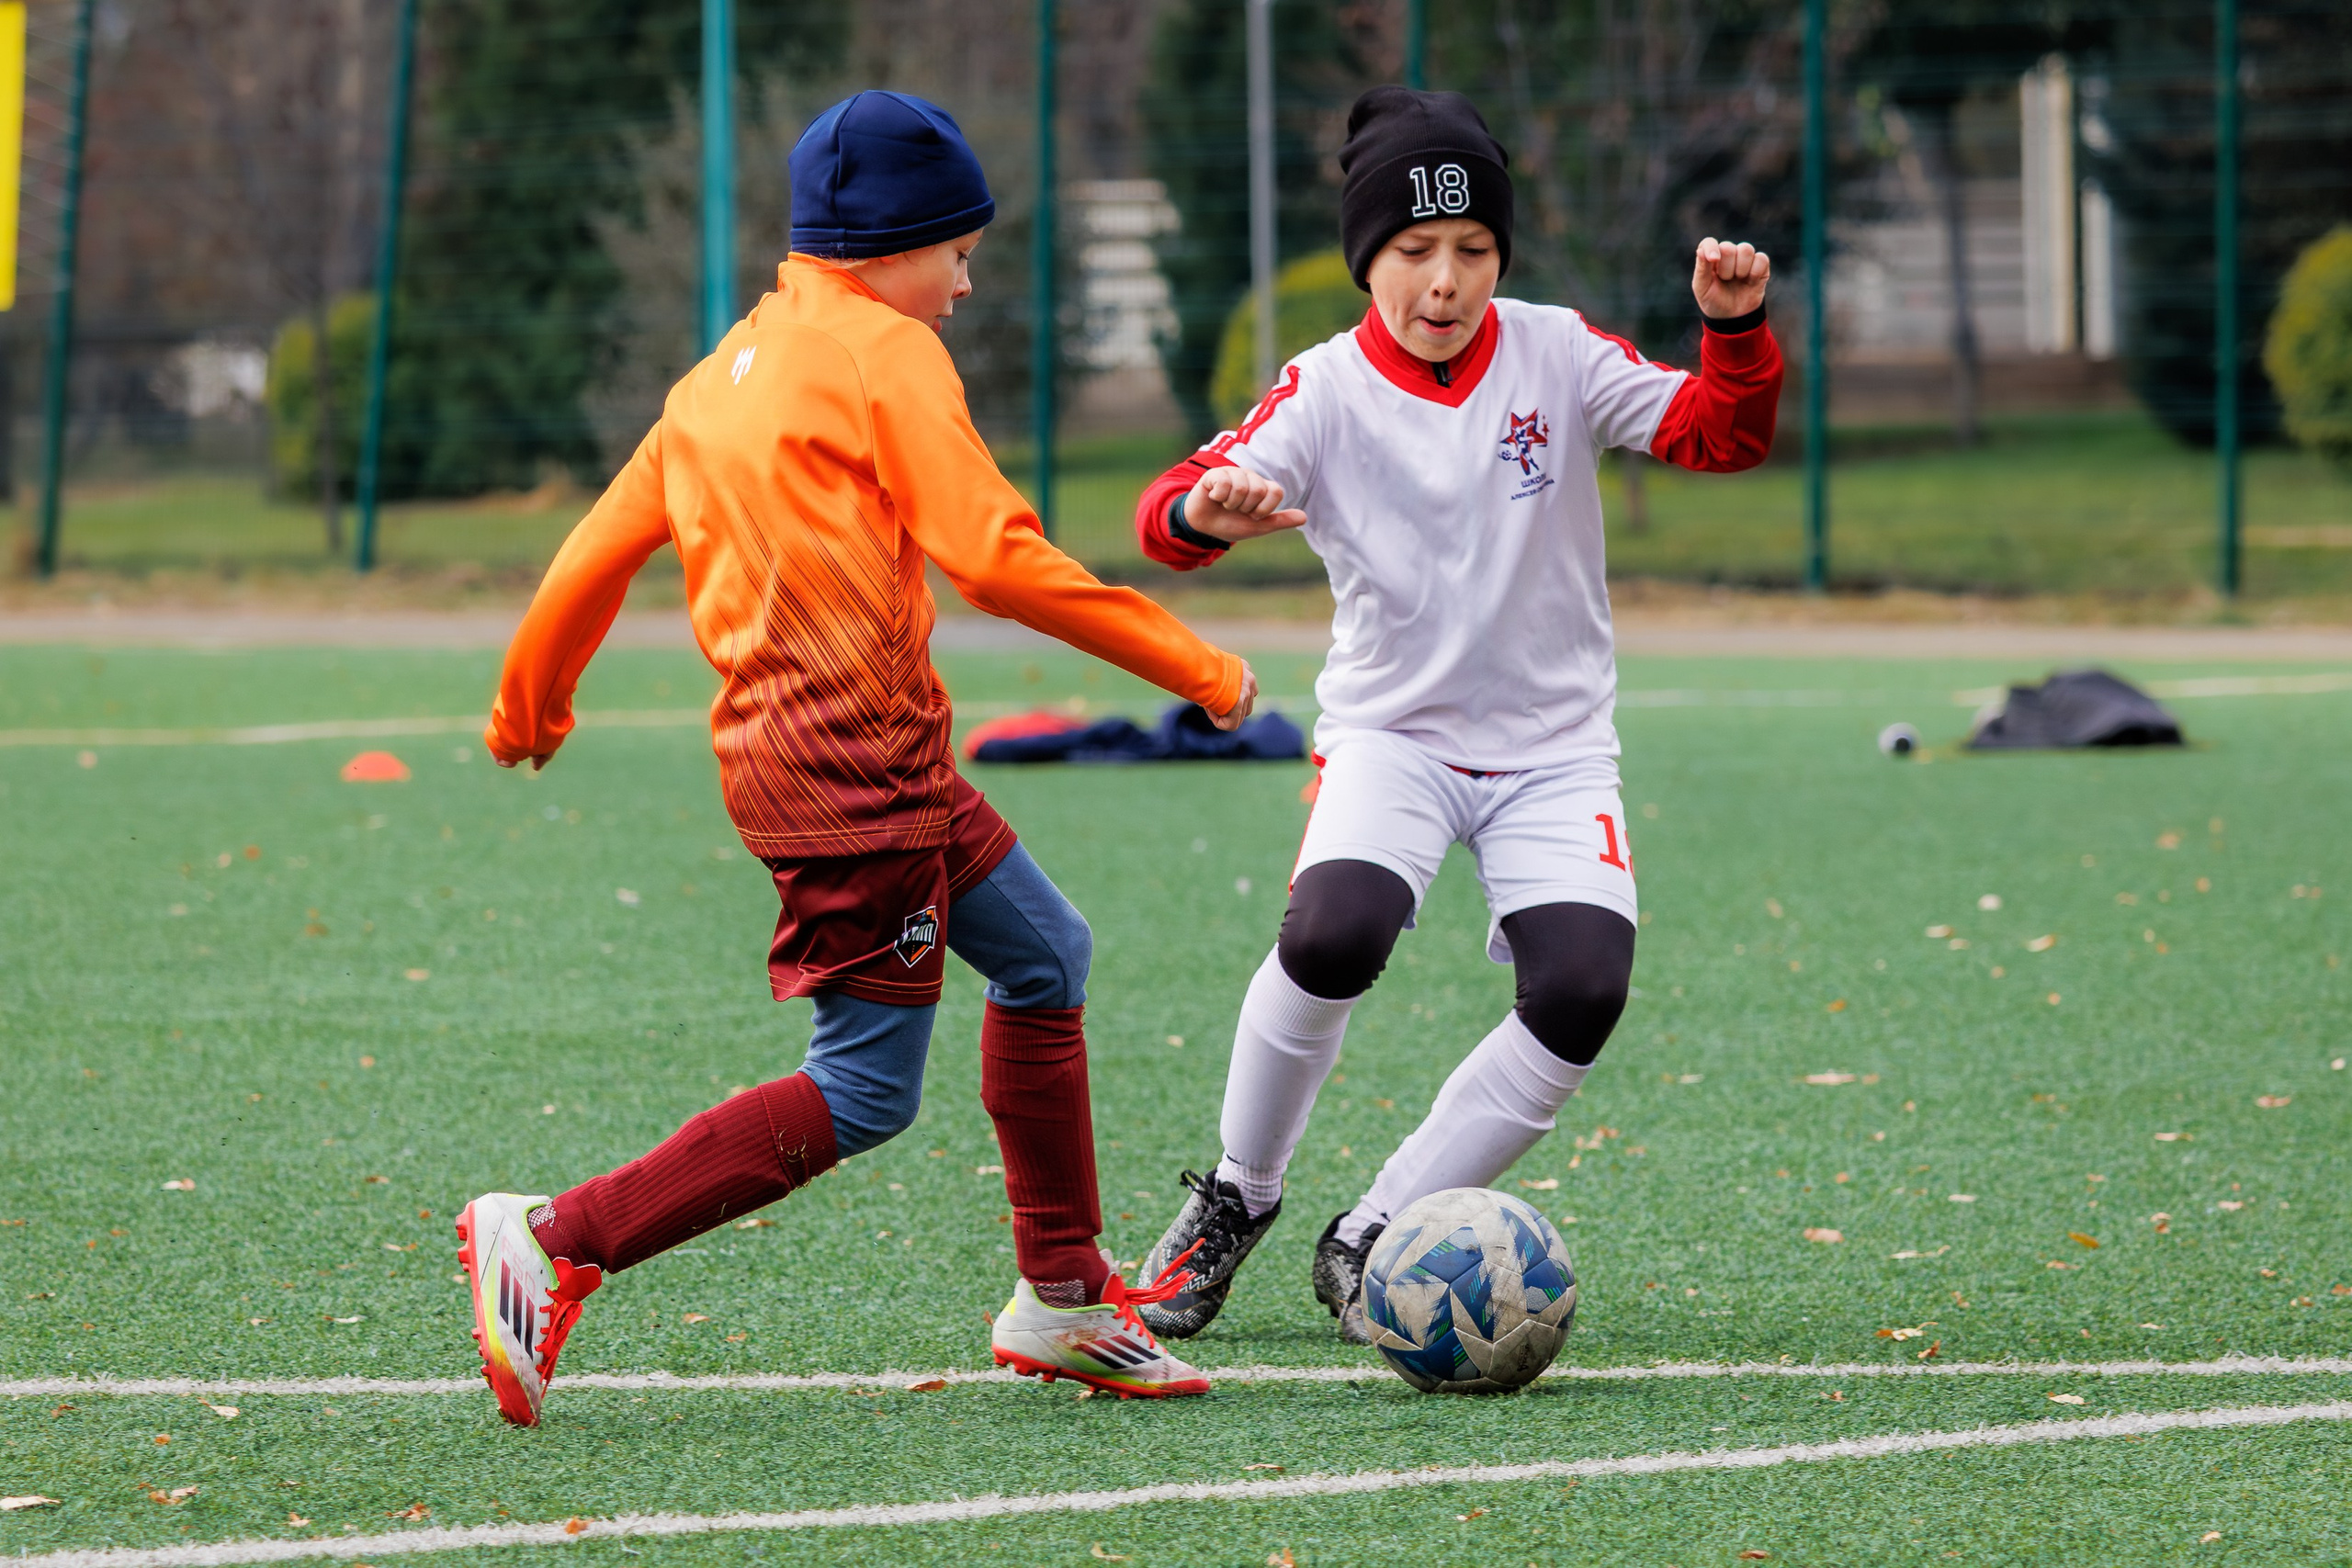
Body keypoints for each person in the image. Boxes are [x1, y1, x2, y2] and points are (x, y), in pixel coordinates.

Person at [456, 90, 1257, 1425]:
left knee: (1048, 953)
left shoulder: (719, 378)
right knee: (867, 1090)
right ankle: (557, 1237)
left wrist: (527, 710)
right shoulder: (888, 356)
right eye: (957, 247)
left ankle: (1060, 1298)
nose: (967, 274)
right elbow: (994, 558)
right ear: (891, 245)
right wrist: (1198, 667)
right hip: (851, 782)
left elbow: (592, 552)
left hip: (850, 763)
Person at [1129, 85, 1781, 1344]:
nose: (1446, 281)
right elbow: (1176, 501)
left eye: (1473, 250)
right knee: (1335, 931)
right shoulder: (1321, 389)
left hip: (1553, 750)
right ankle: (1235, 1197)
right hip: (1397, 737)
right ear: (1368, 254)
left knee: (1584, 987)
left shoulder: (1555, 349)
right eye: (1415, 252)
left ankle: (1376, 1233)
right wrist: (1205, 516)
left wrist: (1734, 333)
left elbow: (1716, 437)